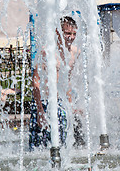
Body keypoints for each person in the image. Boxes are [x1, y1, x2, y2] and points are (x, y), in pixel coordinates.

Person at [29, 16, 85, 150]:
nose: (71, 37)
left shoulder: (75, 52)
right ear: (58, 32)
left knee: (63, 144)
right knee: (38, 147)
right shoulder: (47, 51)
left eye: (74, 34)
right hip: (44, 102)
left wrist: (71, 105)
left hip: (61, 103)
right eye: (67, 33)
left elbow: (67, 81)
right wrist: (40, 111)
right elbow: (35, 82)